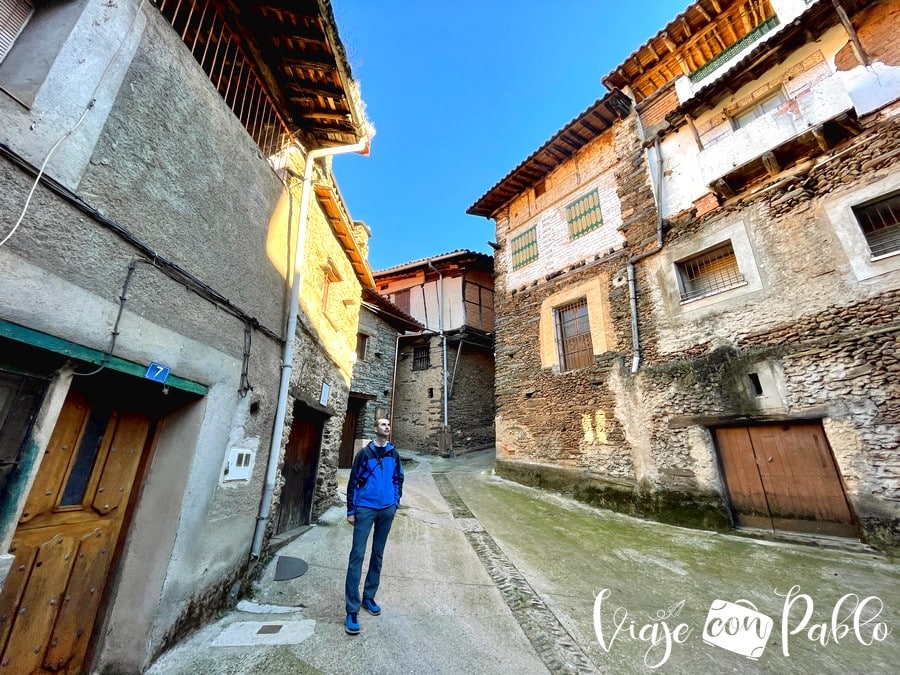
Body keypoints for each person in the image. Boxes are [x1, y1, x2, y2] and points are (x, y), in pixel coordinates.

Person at [344, 416, 404, 635]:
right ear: (375, 428)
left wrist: (395, 502)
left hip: (386, 509)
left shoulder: (393, 454)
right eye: (382, 424)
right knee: (357, 556)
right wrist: (351, 510)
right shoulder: (365, 454)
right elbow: (353, 482)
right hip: (365, 509)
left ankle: (368, 597)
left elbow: (398, 479)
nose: (386, 427)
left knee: (377, 554)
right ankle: (351, 609)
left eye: (388, 424)